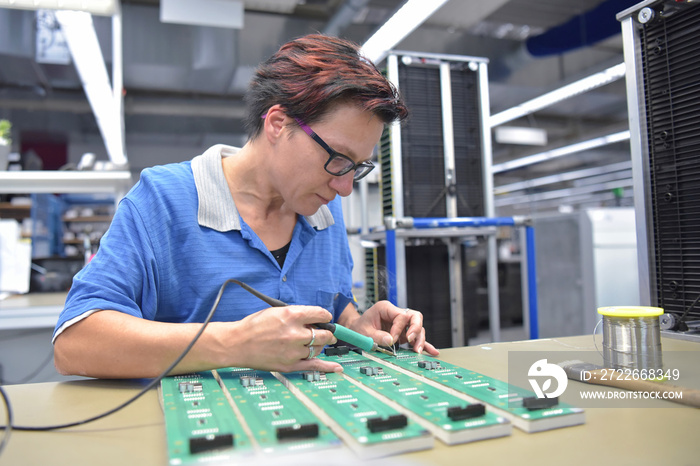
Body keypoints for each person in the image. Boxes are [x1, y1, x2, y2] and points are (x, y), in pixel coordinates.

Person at [53, 34, 438, 379]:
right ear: (277, 124)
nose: (345, 187)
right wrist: (235, 343)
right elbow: (76, 342)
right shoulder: (163, 200)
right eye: (338, 159)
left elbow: (331, 309)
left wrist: (358, 324)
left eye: (358, 167)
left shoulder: (323, 209)